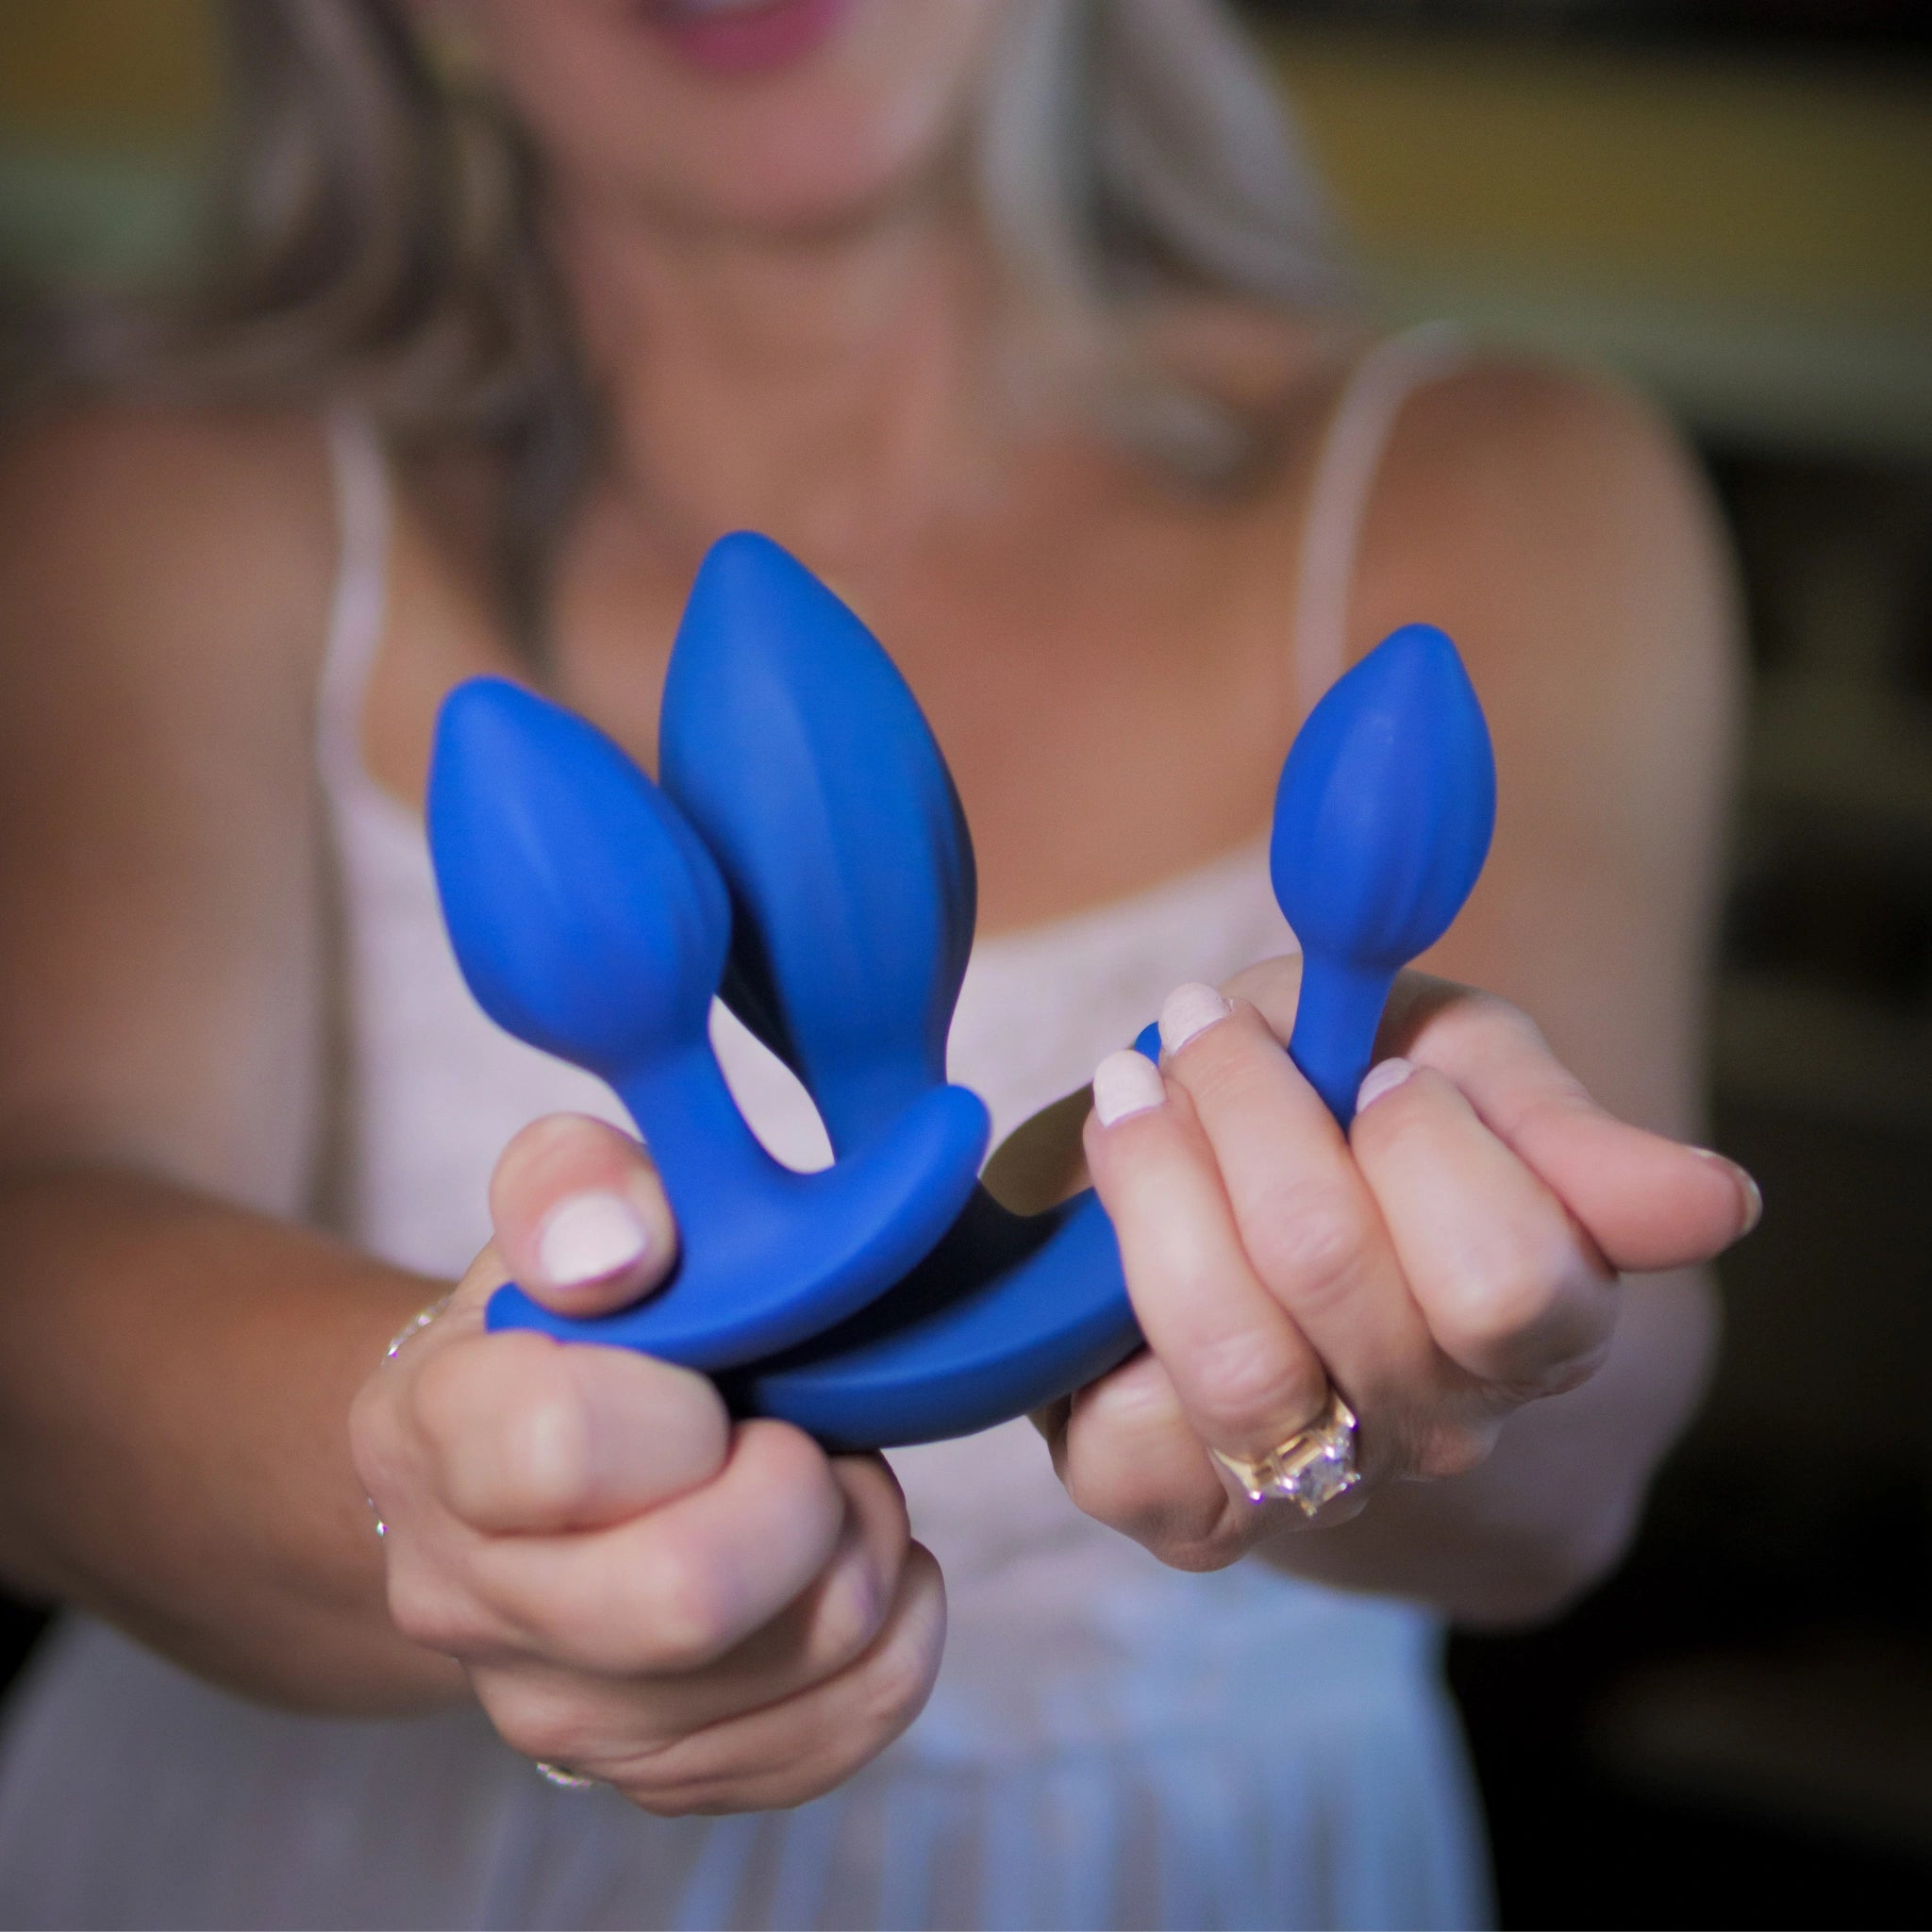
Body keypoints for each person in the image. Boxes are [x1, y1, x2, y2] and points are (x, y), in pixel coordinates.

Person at [0, 1, 1752, 1924]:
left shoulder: (1499, 481)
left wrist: (1405, 1288)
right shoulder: (162, 494)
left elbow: (1570, 1477)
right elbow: (38, 1266)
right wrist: (447, 1471)